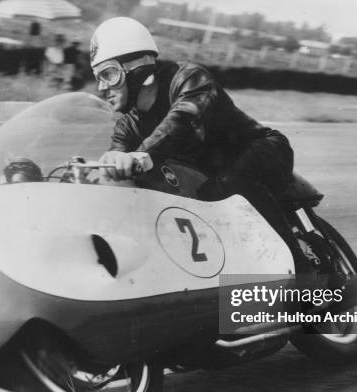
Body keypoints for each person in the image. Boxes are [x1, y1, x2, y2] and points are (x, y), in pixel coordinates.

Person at [91, 17, 313, 275]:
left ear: (137, 69)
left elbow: (182, 120)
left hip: (263, 150)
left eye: (109, 74)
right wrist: (109, 164)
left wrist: (141, 154)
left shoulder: (189, 79)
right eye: (98, 77)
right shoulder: (128, 124)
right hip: (210, 181)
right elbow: (117, 151)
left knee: (234, 182)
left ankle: (303, 273)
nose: (101, 87)